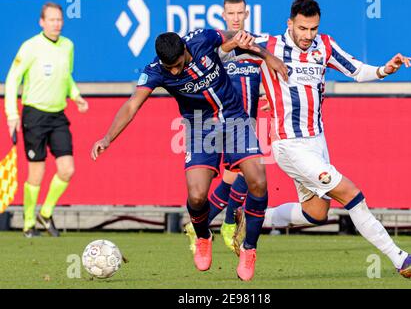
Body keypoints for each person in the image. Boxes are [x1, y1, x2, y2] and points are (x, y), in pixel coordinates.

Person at [231, 0, 411, 278]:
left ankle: (252, 216)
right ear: (290, 23)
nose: (307, 35)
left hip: (317, 142)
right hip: (290, 144)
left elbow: (356, 70)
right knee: (352, 195)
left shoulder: (324, 45)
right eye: (302, 28)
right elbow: (229, 43)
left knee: (315, 213)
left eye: (312, 28)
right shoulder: (269, 45)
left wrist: (384, 69)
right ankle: (400, 259)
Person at [90, 29, 287, 281]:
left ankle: (249, 249)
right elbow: (131, 105)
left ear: (185, 48)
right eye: (168, 67)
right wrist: (107, 138)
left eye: (178, 65)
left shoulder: (203, 39)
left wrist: (266, 55)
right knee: (196, 196)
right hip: (199, 126)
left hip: (235, 118)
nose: (174, 71)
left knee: (258, 181)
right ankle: (203, 236)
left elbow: (236, 38)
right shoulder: (155, 70)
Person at [184, 0, 265, 253]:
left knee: (237, 176)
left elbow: (261, 80)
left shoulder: (257, 45)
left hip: (247, 120)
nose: (236, 18)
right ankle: (227, 223)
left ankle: (205, 225)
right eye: (231, 13)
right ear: (223, 16)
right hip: (218, 122)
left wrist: (269, 97)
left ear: (247, 14)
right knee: (240, 175)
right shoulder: (215, 48)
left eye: (240, 13)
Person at [4, 2, 89, 238]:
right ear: (42, 22)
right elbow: (12, 80)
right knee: (36, 174)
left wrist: (76, 96)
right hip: (34, 114)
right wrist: (12, 113)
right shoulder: (30, 47)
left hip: (58, 115)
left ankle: (46, 212)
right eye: (52, 20)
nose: (56, 24)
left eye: (59, 19)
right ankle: (29, 223)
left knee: (67, 169)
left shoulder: (68, 46)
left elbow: (67, 77)